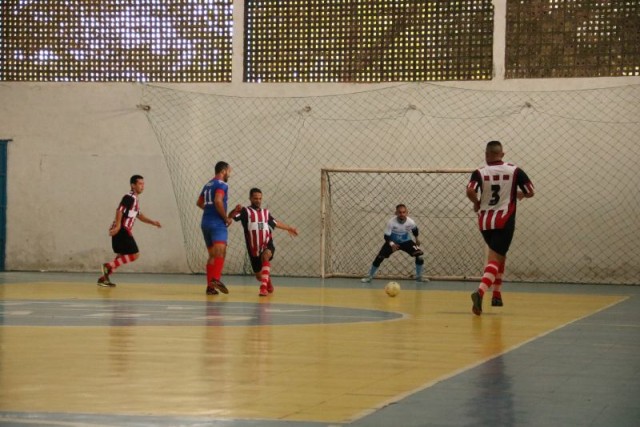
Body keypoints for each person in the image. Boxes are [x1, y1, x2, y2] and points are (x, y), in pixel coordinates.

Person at [466, 140, 535, 315]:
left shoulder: (479, 172)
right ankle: (480, 292)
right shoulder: (515, 171)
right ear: (502, 154)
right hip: (504, 220)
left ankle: (496, 294)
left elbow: (470, 191)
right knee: (495, 259)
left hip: (485, 221)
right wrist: (520, 194)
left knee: (499, 255)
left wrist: (476, 202)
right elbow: (531, 191)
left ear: (486, 154)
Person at [232, 188, 299, 296]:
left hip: (267, 242)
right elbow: (233, 217)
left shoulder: (265, 213)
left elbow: (276, 222)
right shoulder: (245, 212)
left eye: (260, 198)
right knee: (259, 276)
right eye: (255, 198)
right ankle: (268, 284)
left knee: (266, 256)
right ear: (250, 199)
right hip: (253, 248)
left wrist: (289, 228)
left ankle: (263, 288)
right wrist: (234, 210)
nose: (258, 200)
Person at [97, 175, 161, 287]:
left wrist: (153, 222)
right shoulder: (129, 197)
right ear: (133, 185)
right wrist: (117, 226)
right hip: (122, 229)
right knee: (135, 255)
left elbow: (139, 216)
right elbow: (119, 210)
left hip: (123, 229)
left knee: (121, 255)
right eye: (140, 184)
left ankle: (103, 278)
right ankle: (108, 266)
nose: (143, 186)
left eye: (143, 184)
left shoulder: (135, 199)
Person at [197, 161, 240, 295]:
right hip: (217, 224)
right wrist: (225, 218)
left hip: (205, 223)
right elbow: (217, 200)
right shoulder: (222, 184)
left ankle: (210, 287)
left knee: (212, 255)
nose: (230, 174)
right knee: (221, 252)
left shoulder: (207, 184)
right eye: (229, 171)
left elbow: (199, 203)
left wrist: (210, 211)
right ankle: (215, 279)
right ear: (223, 171)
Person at [361, 204, 426, 283]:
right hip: (393, 242)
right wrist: (392, 244)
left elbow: (415, 230)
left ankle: (419, 277)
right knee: (379, 257)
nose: (402, 214)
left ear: (407, 213)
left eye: (404, 212)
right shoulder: (391, 222)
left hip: (406, 241)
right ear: (396, 213)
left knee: (419, 256)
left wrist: (416, 239)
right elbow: (386, 236)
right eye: (400, 212)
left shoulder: (411, 222)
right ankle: (370, 276)